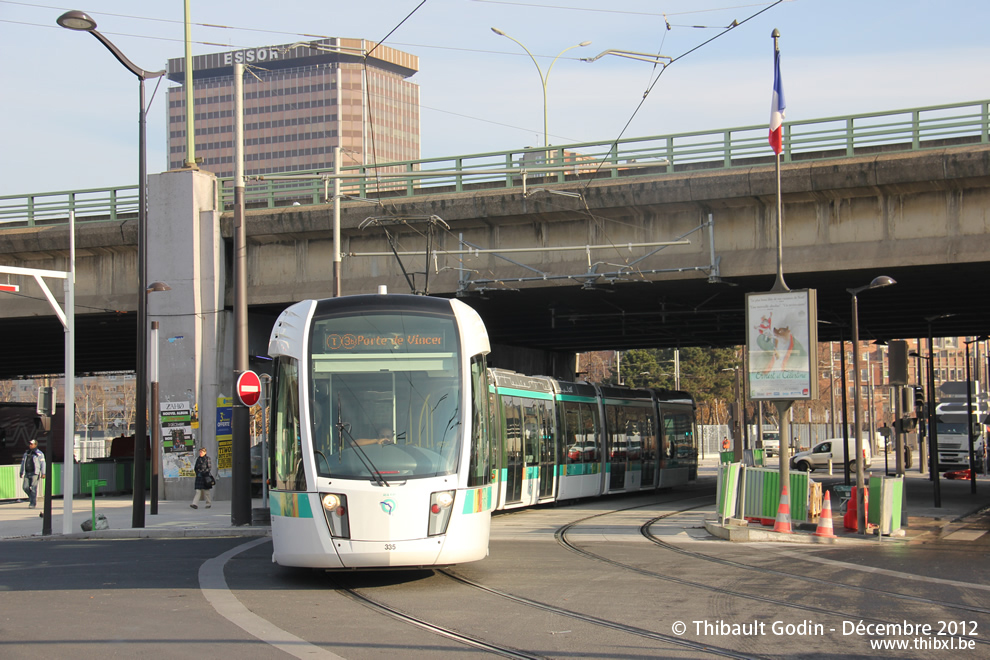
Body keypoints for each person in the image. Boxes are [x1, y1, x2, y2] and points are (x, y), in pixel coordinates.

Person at [19, 439, 46, 509]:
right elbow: (23, 463)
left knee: (34, 488)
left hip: (35, 473)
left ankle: (32, 503)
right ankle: (32, 497)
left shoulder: (39, 453)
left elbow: (43, 463)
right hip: (27, 472)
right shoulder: (26, 453)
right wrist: (21, 471)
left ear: (35, 445)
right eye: (30, 444)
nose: (30, 445)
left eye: (32, 444)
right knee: (25, 487)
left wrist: (43, 473)